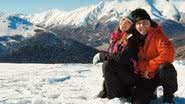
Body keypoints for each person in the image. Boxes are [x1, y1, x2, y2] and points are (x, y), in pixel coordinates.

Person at [131, 8, 178, 104]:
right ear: (135, 26)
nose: (142, 26)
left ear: (150, 22)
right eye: (138, 23)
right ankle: (151, 92)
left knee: (166, 68)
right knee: (139, 102)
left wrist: (149, 69)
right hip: (143, 76)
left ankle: (169, 96)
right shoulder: (134, 38)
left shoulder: (157, 35)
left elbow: (168, 54)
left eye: (145, 22)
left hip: (156, 73)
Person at [93, 12, 141, 100]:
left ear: (133, 26)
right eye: (123, 20)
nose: (124, 23)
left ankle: (113, 98)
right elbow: (115, 56)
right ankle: (110, 91)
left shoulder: (132, 39)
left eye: (129, 22)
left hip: (131, 77)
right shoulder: (118, 37)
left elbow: (121, 58)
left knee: (108, 64)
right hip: (123, 75)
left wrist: (103, 56)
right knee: (109, 64)